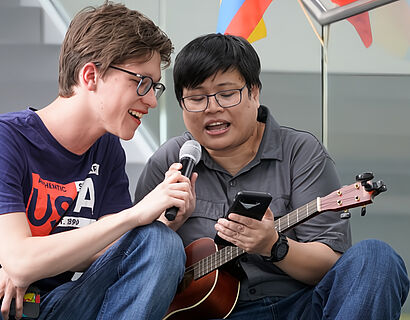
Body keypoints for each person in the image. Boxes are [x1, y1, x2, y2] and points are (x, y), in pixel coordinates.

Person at [134, 33, 409, 319]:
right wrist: (165, 228)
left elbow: (331, 263)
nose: (212, 108)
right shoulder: (171, 162)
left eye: (226, 94)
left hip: (299, 306)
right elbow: (132, 265)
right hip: (209, 313)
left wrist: (274, 246)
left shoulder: (301, 153)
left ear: (254, 92)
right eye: (196, 98)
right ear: (181, 104)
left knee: (376, 257)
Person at [0, 2, 196, 320]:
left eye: (154, 87)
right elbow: (19, 264)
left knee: (161, 242)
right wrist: (134, 216)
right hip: (10, 304)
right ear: (91, 75)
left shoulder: (107, 149)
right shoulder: (8, 139)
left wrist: (159, 221)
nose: (150, 101)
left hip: (54, 303)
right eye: (141, 82)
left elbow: (103, 251)